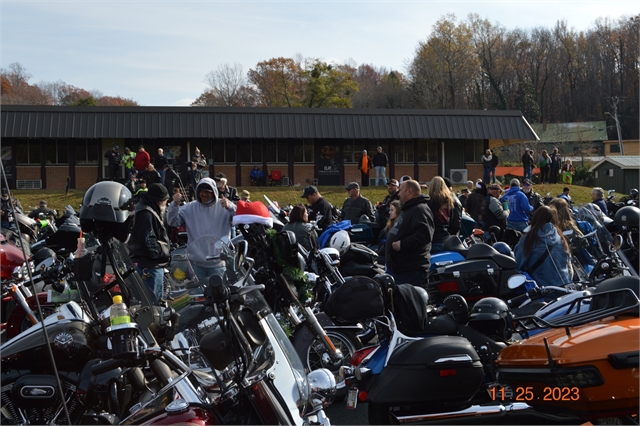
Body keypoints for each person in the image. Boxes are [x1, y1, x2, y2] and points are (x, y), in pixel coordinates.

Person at [167, 177, 236, 278]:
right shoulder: (189, 208)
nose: (204, 194)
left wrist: (230, 207)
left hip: (218, 262)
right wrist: (174, 204)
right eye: (201, 191)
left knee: (219, 293)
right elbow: (173, 221)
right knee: (199, 293)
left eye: (207, 192)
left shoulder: (223, 205)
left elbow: (240, 219)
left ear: (213, 192)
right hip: (196, 263)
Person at [385, 180, 434, 286]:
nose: (398, 194)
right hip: (401, 270)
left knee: (409, 302)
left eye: (401, 190)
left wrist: (403, 243)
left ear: (409, 191)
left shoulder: (420, 209)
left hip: (412, 271)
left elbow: (425, 235)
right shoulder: (408, 209)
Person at [128, 183, 171, 299]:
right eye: (166, 201)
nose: (166, 204)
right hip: (149, 267)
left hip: (148, 265)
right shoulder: (146, 213)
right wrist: (163, 254)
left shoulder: (145, 209)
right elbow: (148, 240)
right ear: (160, 201)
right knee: (153, 306)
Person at [514, 206, 572, 286]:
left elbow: (517, 265)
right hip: (564, 286)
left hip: (542, 291)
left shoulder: (529, 239)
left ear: (535, 218)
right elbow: (568, 263)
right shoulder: (561, 238)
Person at [427, 176, 462, 254]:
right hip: (446, 238)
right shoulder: (450, 202)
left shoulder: (427, 203)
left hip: (431, 239)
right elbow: (455, 224)